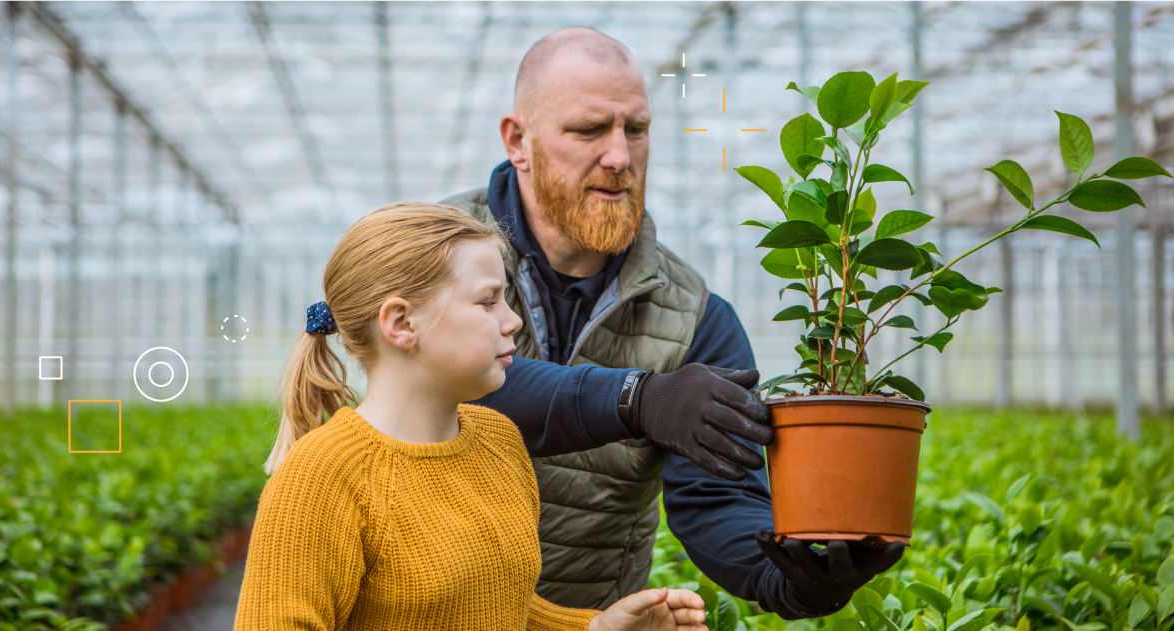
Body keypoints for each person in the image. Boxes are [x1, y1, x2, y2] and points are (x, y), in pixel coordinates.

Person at [439, 27, 904, 617]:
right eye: (589, 130)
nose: (620, 157)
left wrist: (788, 578)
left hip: (595, 622)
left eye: (636, 129)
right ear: (518, 141)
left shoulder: (695, 318)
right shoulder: (432, 251)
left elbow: (714, 496)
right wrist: (636, 398)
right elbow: (448, 390)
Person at [235, 202, 708, 631]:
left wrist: (595, 629)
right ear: (401, 323)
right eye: (487, 301)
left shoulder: (498, 439)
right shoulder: (324, 476)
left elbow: (501, 607)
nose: (512, 320)